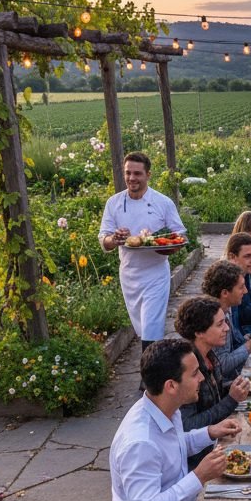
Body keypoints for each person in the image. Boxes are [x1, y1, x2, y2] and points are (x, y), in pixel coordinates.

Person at [110, 338, 242, 501]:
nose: (202, 377)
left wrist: (209, 432)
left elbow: (174, 446)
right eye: (194, 374)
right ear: (171, 385)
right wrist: (199, 476)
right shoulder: (140, 442)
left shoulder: (164, 408)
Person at [99, 152, 185, 355]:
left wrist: (160, 244)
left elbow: (179, 235)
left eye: (137, 173)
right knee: (141, 327)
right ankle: (155, 370)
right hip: (129, 275)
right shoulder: (114, 203)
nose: (132, 178)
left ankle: (148, 381)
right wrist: (115, 239)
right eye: (128, 173)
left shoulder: (162, 202)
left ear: (148, 175)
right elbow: (104, 239)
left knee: (151, 328)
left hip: (155, 274)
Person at [174, 296, 251, 451]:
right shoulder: (188, 368)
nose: (227, 328)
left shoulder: (209, 354)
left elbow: (214, 391)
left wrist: (237, 386)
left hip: (216, 440)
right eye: (220, 324)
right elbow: (188, 426)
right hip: (201, 453)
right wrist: (231, 400)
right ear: (199, 332)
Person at [201, 260, 251, 381]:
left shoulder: (228, 308)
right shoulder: (214, 319)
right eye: (241, 287)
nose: (245, 291)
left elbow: (236, 343)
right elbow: (221, 366)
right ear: (225, 293)